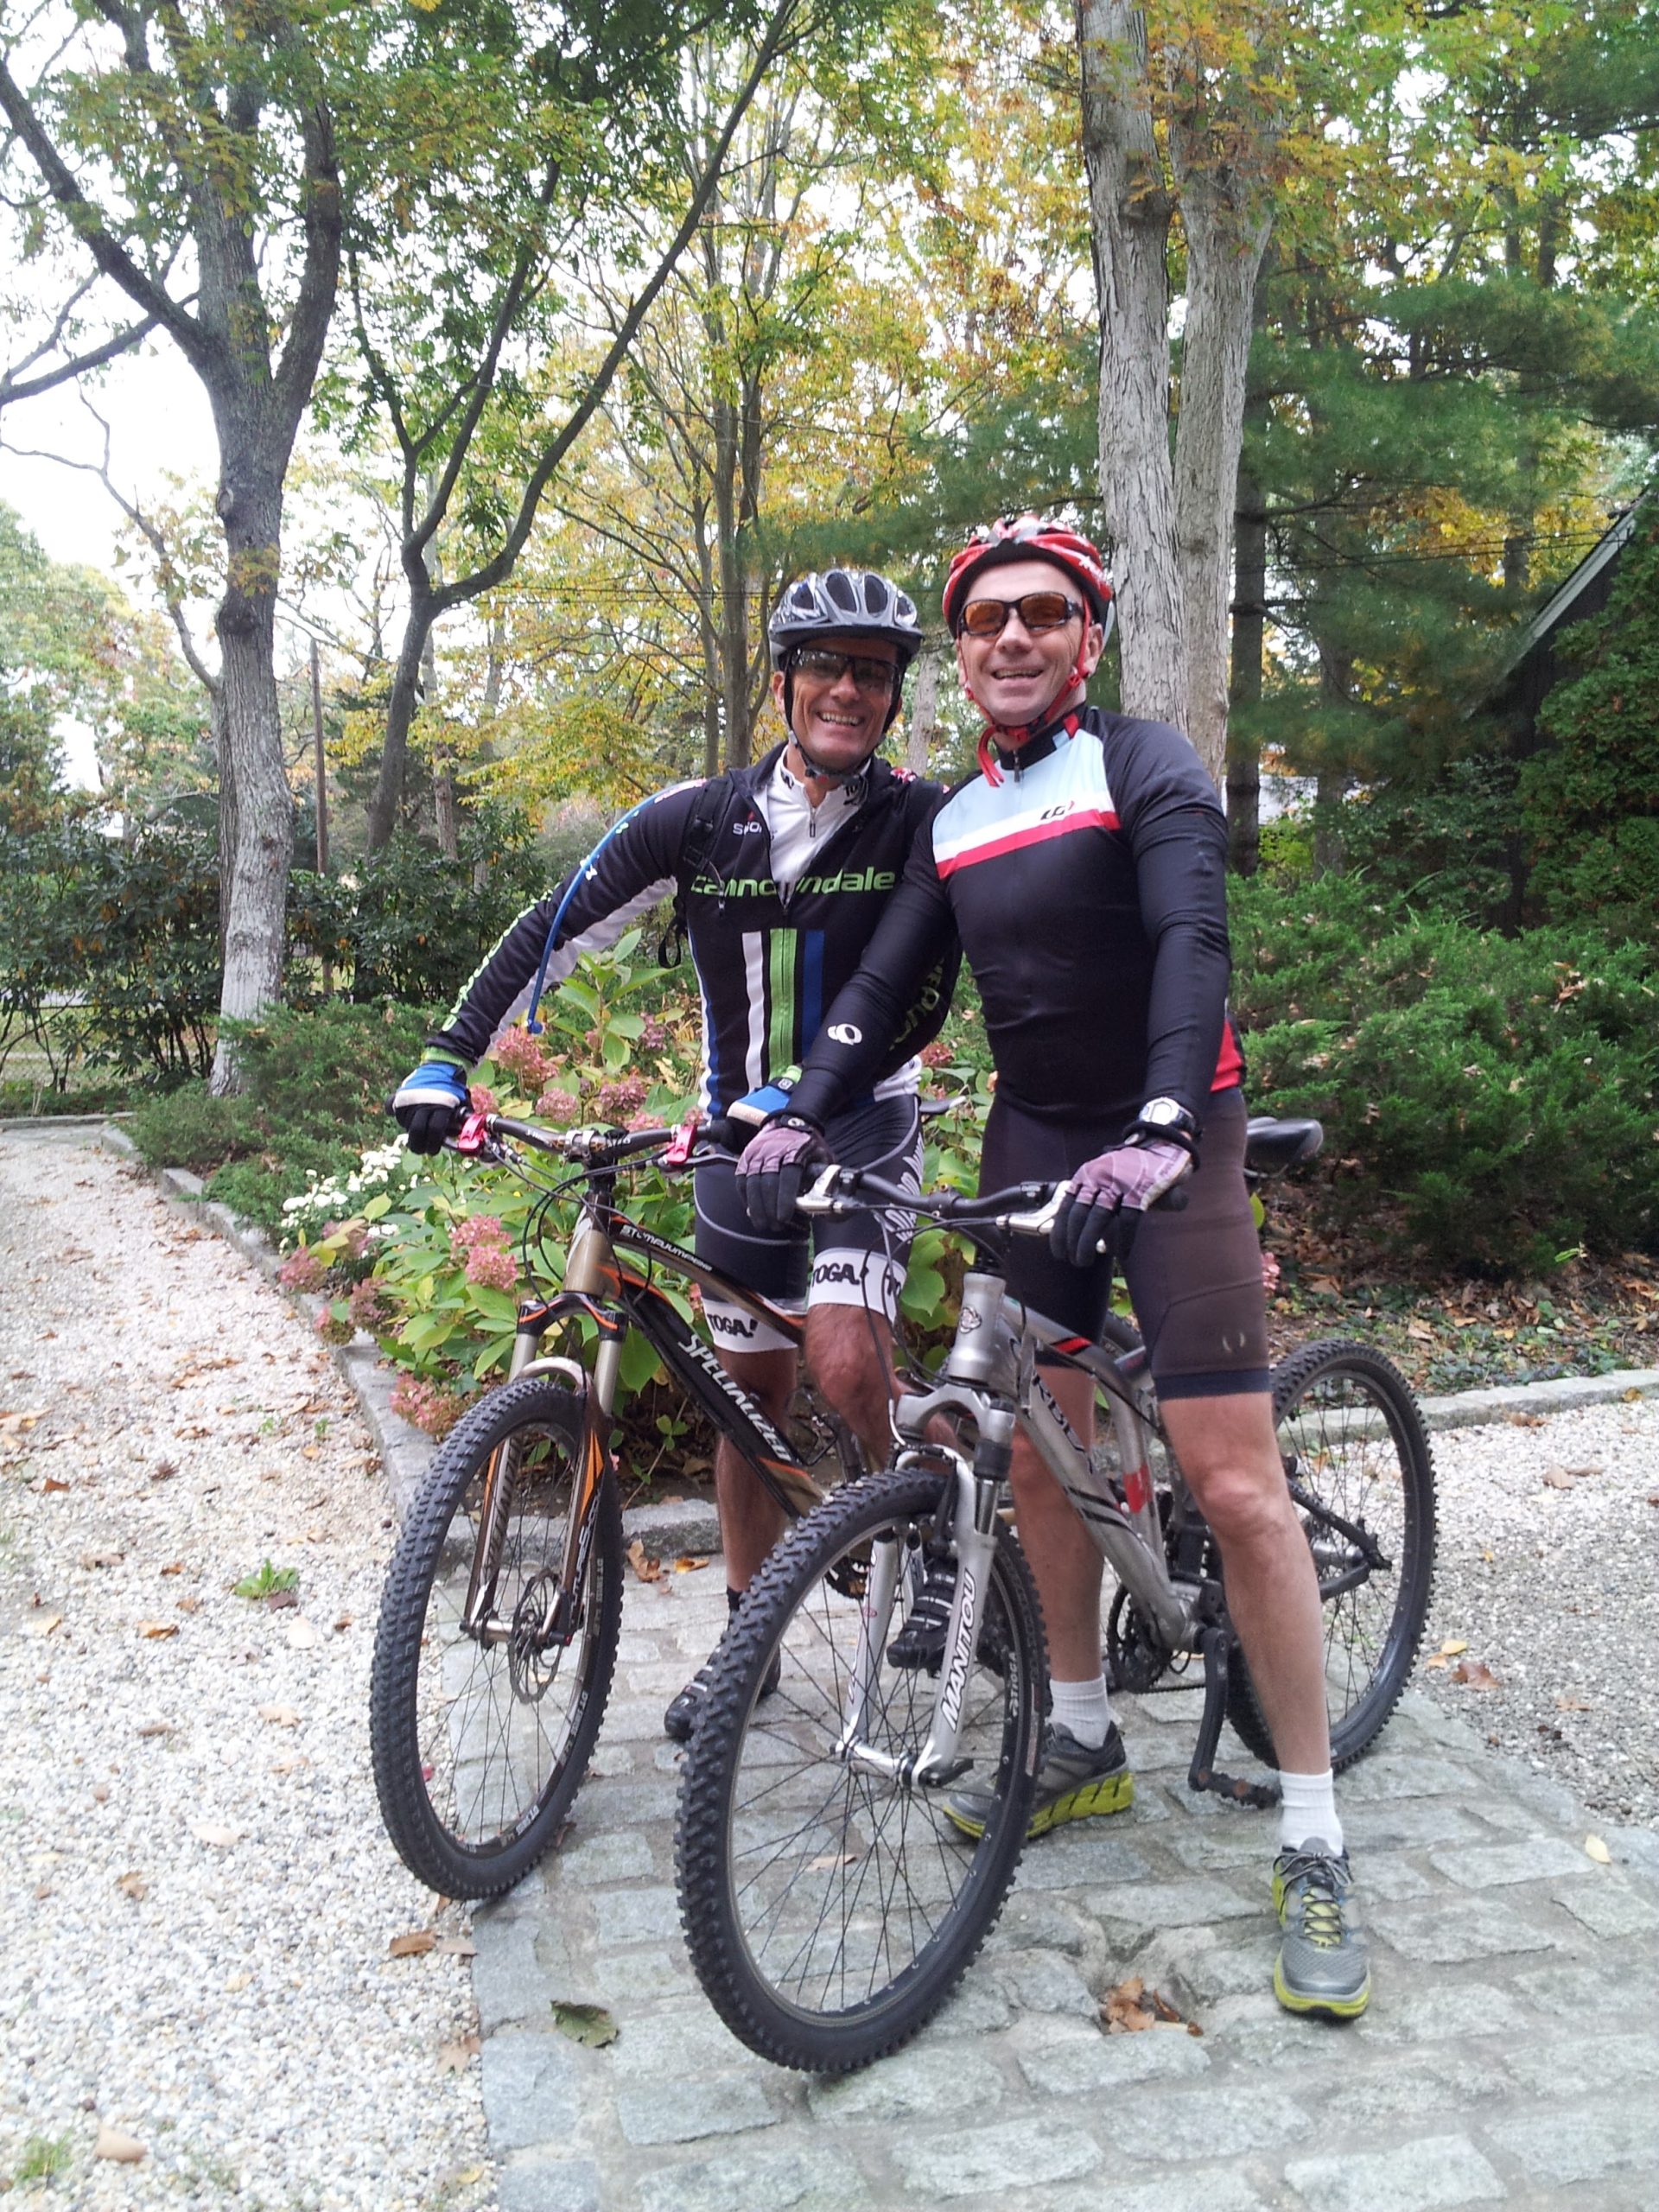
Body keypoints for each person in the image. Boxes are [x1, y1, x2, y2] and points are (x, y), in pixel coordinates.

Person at [739, 515, 1370, 2021]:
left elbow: (1191, 942)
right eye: (986, 621)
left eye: (1042, 615)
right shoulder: (957, 817)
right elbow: (886, 984)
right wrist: (798, 1107)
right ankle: (1077, 1735)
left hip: (1174, 1134)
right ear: (961, 656)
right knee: (1029, 1443)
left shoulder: (1145, 766)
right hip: (1036, 1133)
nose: (1012, 637)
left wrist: (1162, 1126)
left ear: (1088, 637)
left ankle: (1314, 1833)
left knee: (1235, 1485)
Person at [392, 568, 957, 1742]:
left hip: (863, 1127)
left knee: (844, 1361)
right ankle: (750, 1645)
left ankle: (928, 1513)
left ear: (893, 696)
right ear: (784, 681)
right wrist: (448, 1058)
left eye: (872, 672)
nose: (847, 690)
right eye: (825, 665)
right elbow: (555, 927)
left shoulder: (919, 817)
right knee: (747, 1402)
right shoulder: (700, 818)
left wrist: (805, 1099)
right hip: (733, 1144)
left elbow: (908, 990)